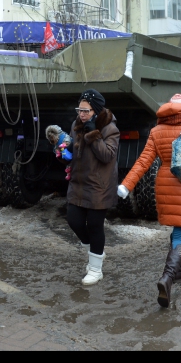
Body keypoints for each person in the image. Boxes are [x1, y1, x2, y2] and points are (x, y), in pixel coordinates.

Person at [118, 95, 181, 308]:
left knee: (177, 226)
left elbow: (143, 161)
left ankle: (180, 270)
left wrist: (126, 185)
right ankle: (168, 277)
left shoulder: (157, 131)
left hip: (164, 183)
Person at [65, 90, 120, 287]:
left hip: (99, 185)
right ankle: (96, 253)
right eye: (79, 109)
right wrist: (66, 148)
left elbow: (107, 155)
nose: (81, 114)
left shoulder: (110, 128)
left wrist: (93, 135)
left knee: (95, 226)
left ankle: (96, 269)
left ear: (96, 111)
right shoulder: (76, 125)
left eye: (86, 110)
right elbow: (75, 148)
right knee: (73, 220)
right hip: (79, 182)